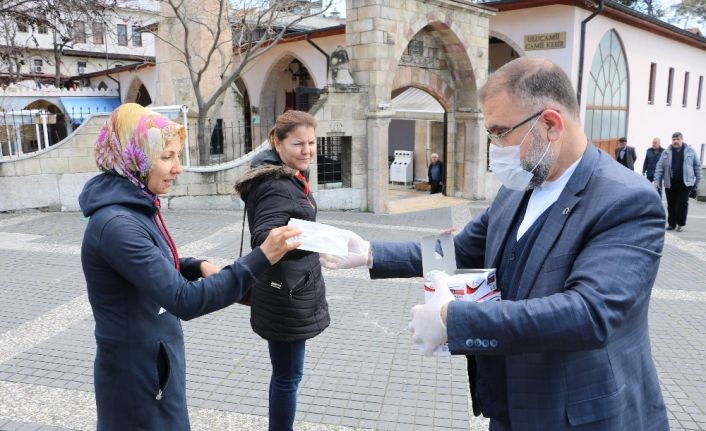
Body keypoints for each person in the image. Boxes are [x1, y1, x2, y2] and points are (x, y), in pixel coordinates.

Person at [320, 57, 668, 430]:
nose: (494, 147)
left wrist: (451, 319)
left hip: (579, 416)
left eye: (500, 132)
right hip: (509, 406)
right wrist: (371, 253)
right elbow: (463, 247)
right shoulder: (519, 187)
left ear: (550, 124)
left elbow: (589, 313)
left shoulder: (627, 200)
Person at [79, 103, 301, 431]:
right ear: (134, 157)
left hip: (152, 365)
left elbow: (154, 265)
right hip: (136, 377)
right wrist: (261, 257)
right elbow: (185, 300)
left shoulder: (134, 207)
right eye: (167, 156)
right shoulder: (117, 224)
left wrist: (197, 266)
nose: (178, 168)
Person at [234, 110, 329, 431]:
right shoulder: (276, 183)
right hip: (285, 296)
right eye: (298, 143)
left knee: (287, 374)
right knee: (288, 377)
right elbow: (265, 238)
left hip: (288, 289)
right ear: (276, 142)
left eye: (312, 143)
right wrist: (317, 239)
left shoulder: (284, 173)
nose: (307, 150)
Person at [653, 131, 702, 232]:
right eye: (673, 139)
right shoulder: (666, 152)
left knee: (682, 203)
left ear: (682, 139)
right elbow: (659, 167)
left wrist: (697, 182)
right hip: (670, 182)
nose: (675, 141)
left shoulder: (690, 151)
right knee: (671, 204)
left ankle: (680, 223)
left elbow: (697, 166)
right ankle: (672, 224)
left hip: (685, 183)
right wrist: (656, 180)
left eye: (677, 139)